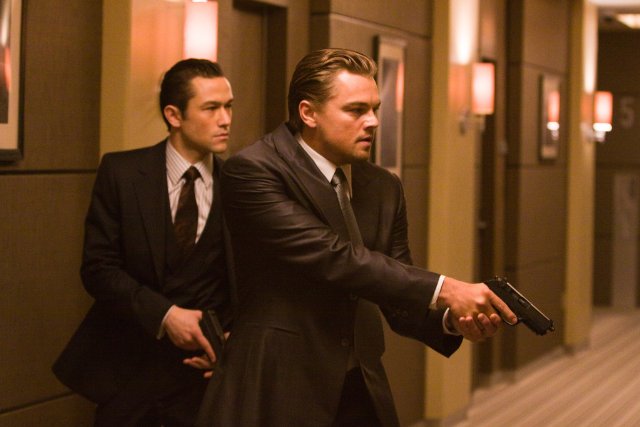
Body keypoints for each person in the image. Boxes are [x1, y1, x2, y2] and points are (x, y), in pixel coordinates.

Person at [196, 48, 516, 427]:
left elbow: (394, 286)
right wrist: (446, 289)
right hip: (277, 382)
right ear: (308, 113)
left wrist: (449, 319)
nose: (373, 121)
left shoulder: (382, 186)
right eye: (356, 110)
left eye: (375, 109)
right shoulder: (253, 170)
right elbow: (333, 257)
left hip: (359, 381)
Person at [52, 58, 235, 427]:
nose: (225, 119)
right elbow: (98, 268)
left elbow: (252, 278)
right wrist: (165, 315)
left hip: (202, 376)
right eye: (211, 108)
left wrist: (232, 342)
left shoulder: (241, 183)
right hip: (128, 369)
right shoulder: (121, 173)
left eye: (229, 106)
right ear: (174, 115)